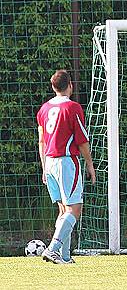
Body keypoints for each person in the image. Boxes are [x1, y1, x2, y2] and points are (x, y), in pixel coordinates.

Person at [36, 70, 96, 264]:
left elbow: (42, 141)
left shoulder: (44, 109)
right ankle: (53, 249)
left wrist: (45, 167)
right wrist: (89, 164)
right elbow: (82, 140)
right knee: (74, 209)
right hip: (66, 162)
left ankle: (65, 256)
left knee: (63, 211)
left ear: (53, 87)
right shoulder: (73, 108)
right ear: (70, 85)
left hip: (50, 162)